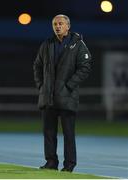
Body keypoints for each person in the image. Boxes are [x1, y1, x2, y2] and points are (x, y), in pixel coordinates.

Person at [33, 14, 92, 172]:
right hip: (49, 96)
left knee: (68, 134)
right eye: (54, 24)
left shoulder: (78, 44)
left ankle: (69, 165)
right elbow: (37, 66)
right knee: (49, 132)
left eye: (60, 23)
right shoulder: (47, 44)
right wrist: (41, 86)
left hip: (67, 96)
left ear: (68, 26)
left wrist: (69, 85)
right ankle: (51, 162)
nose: (57, 26)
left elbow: (85, 67)